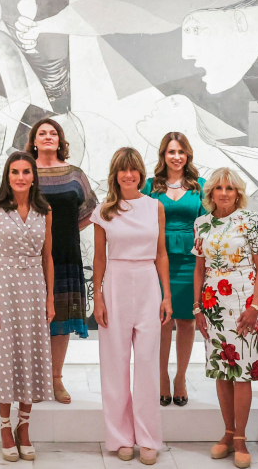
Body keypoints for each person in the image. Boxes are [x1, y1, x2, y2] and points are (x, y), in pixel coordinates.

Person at [91, 147, 173, 465]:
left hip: (148, 282)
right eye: (123, 170)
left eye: (133, 169)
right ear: (115, 174)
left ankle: (148, 438)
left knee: (148, 364)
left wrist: (166, 295)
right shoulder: (104, 211)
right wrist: (98, 297)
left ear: (141, 173)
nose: (128, 175)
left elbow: (161, 253)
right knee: (115, 364)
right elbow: (99, 258)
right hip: (116, 282)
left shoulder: (155, 206)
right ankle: (121, 437)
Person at [0, 152, 56, 462]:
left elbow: (48, 257)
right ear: (7, 176)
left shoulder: (44, 211)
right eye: (15, 172)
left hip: (35, 287)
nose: (21, 177)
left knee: (31, 355)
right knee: (7, 354)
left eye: (26, 171)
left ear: (34, 176)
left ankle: (24, 427)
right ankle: (5, 428)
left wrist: (50, 299)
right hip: (6, 286)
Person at [191, 167, 258, 468]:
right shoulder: (201, 224)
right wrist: (198, 308)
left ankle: (241, 439)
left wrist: (255, 305)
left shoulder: (251, 220)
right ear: (210, 192)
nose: (224, 193)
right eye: (219, 188)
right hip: (213, 304)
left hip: (245, 302)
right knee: (221, 369)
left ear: (238, 193)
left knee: (242, 371)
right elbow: (199, 269)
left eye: (230, 188)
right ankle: (227, 432)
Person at [29, 118, 98, 403]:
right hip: (31, 256)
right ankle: (36, 378)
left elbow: (89, 211)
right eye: (42, 133)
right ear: (34, 141)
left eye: (53, 133)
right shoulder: (26, 172)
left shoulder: (74, 175)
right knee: (33, 319)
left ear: (60, 141)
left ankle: (56, 378)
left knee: (61, 316)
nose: (48, 136)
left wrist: (67, 231)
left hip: (66, 255)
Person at [142, 132, 204, 408]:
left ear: (187, 154)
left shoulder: (200, 186)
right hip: (158, 259)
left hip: (191, 260)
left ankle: (180, 378)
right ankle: (162, 378)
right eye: (171, 151)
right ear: (163, 155)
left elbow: (207, 222)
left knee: (187, 321)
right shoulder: (149, 186)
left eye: (181, 151)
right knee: (162, 320)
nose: (176, 156)